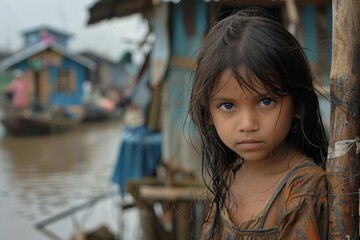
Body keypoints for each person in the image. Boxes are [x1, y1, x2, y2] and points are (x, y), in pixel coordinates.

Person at [188, 8, 328, 240]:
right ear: (209, 113)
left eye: (266, 101)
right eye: (228, 106)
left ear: (298, 104)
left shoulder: (304, 188)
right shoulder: (229, 177)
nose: (247, 124)